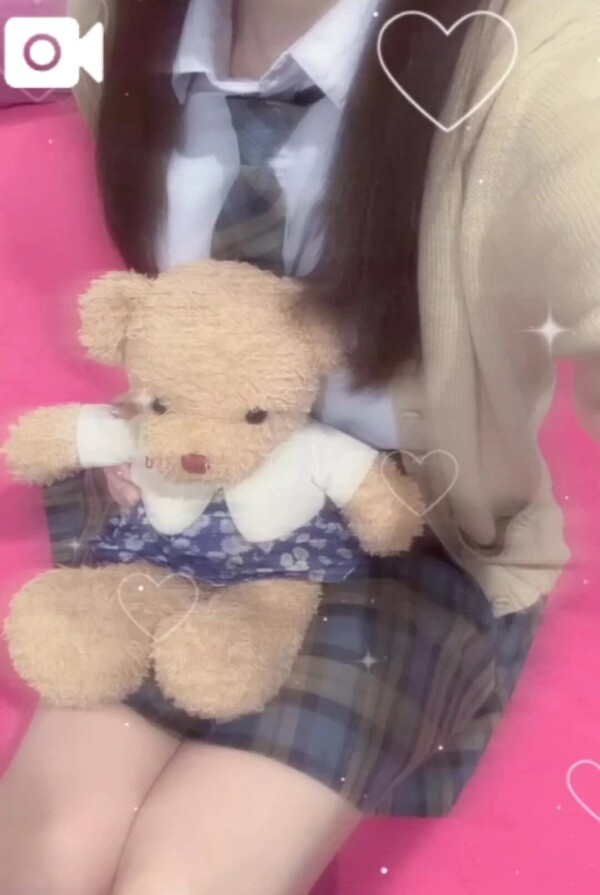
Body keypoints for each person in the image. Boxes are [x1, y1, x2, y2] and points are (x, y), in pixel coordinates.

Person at [1, 0, 600, 893]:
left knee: (179, 877)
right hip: (189, 500)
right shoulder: (118, 21)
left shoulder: (540, 64)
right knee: (54, 852)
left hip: (404, 533)